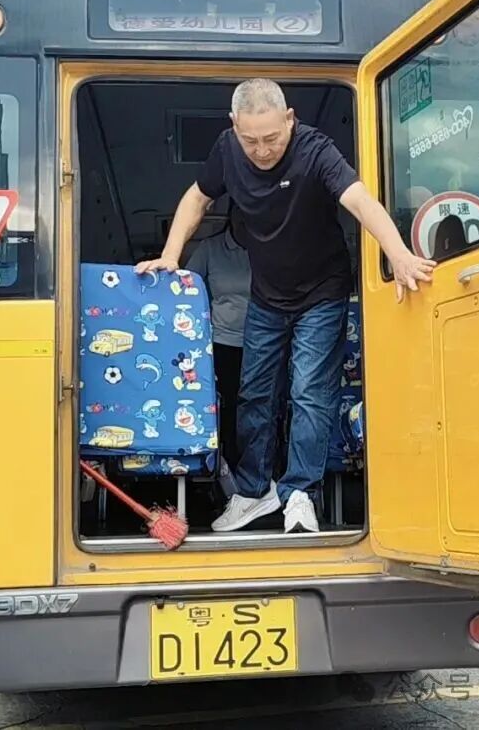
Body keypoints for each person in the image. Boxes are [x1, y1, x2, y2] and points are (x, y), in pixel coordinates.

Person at [136, 78, 435, 534]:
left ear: (290, 119)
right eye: (250, 139)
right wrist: (172, 255)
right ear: (234, 126)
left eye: (272, 138)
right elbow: (197, 197)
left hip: (322, 293)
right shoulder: (227, 149)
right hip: (267, 296)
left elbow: (359, 200)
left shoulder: (316, 150)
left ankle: (299, 495)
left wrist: (397, 254)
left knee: (308, 394)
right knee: (254, 394)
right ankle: (253, 492)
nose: (261, 150)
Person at [185, 206, 252, 496]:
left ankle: (258, 480)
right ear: (232, 216)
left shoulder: (269, 246)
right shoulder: (210, 249)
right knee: (227, 413)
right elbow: (185, 286)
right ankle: (228, 482)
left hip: (265, 342)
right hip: (222, 344)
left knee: (260, 411)